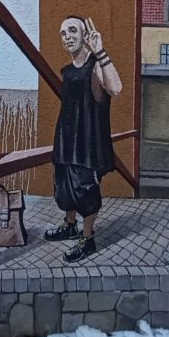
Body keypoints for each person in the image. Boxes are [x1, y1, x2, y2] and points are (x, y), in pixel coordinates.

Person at [44, 16, 122, 262]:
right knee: (64, 186)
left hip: (89, 143)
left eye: (72, 30)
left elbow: (116, 89)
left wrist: (100, 52)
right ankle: (70, 225)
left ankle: (87, 239)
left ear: (85, 35)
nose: (67, 36)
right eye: (63, 33)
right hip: (66, 141)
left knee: (86, 192)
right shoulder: (67, 72)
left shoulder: (96, 65)